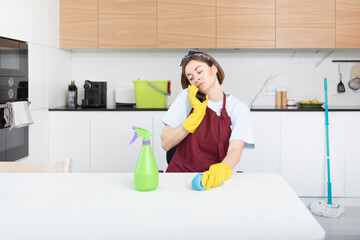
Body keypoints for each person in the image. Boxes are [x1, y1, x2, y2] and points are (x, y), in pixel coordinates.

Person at [161, 51, 254, 190]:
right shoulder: (187, 98)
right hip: (179, 179)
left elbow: (235, 149)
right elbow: (166, 143)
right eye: (190, 78)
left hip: (215, 181)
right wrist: (193, 119)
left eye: (199, 71)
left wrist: (221, 171)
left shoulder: (238, 108)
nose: (196, 79)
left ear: (214, 68)